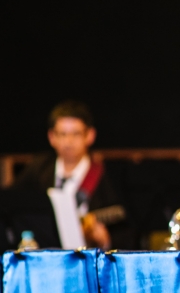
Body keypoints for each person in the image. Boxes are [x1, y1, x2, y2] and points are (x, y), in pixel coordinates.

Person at [12, 100, 130, 249]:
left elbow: (128, 233)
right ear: (51, 137)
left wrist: (105, 240)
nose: (68, 142)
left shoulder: (109, 177)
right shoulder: (38, 169)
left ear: (90, 136)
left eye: (76, 134)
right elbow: (16, 207)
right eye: (62, 134)